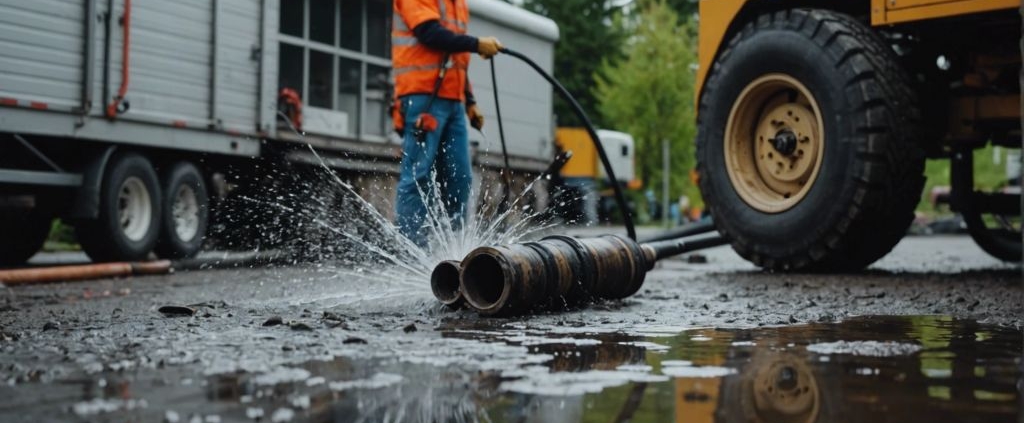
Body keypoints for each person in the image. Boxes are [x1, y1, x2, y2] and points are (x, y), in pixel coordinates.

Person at [391, 0, 502, 247]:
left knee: (459, 178)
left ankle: (453, 252)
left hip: (453, 101)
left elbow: (453, 56)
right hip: (422, 97)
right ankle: (411, 251)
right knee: (418, 175)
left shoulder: (457, 4)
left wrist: (470, 100)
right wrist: (476, 43)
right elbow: (429, 34)